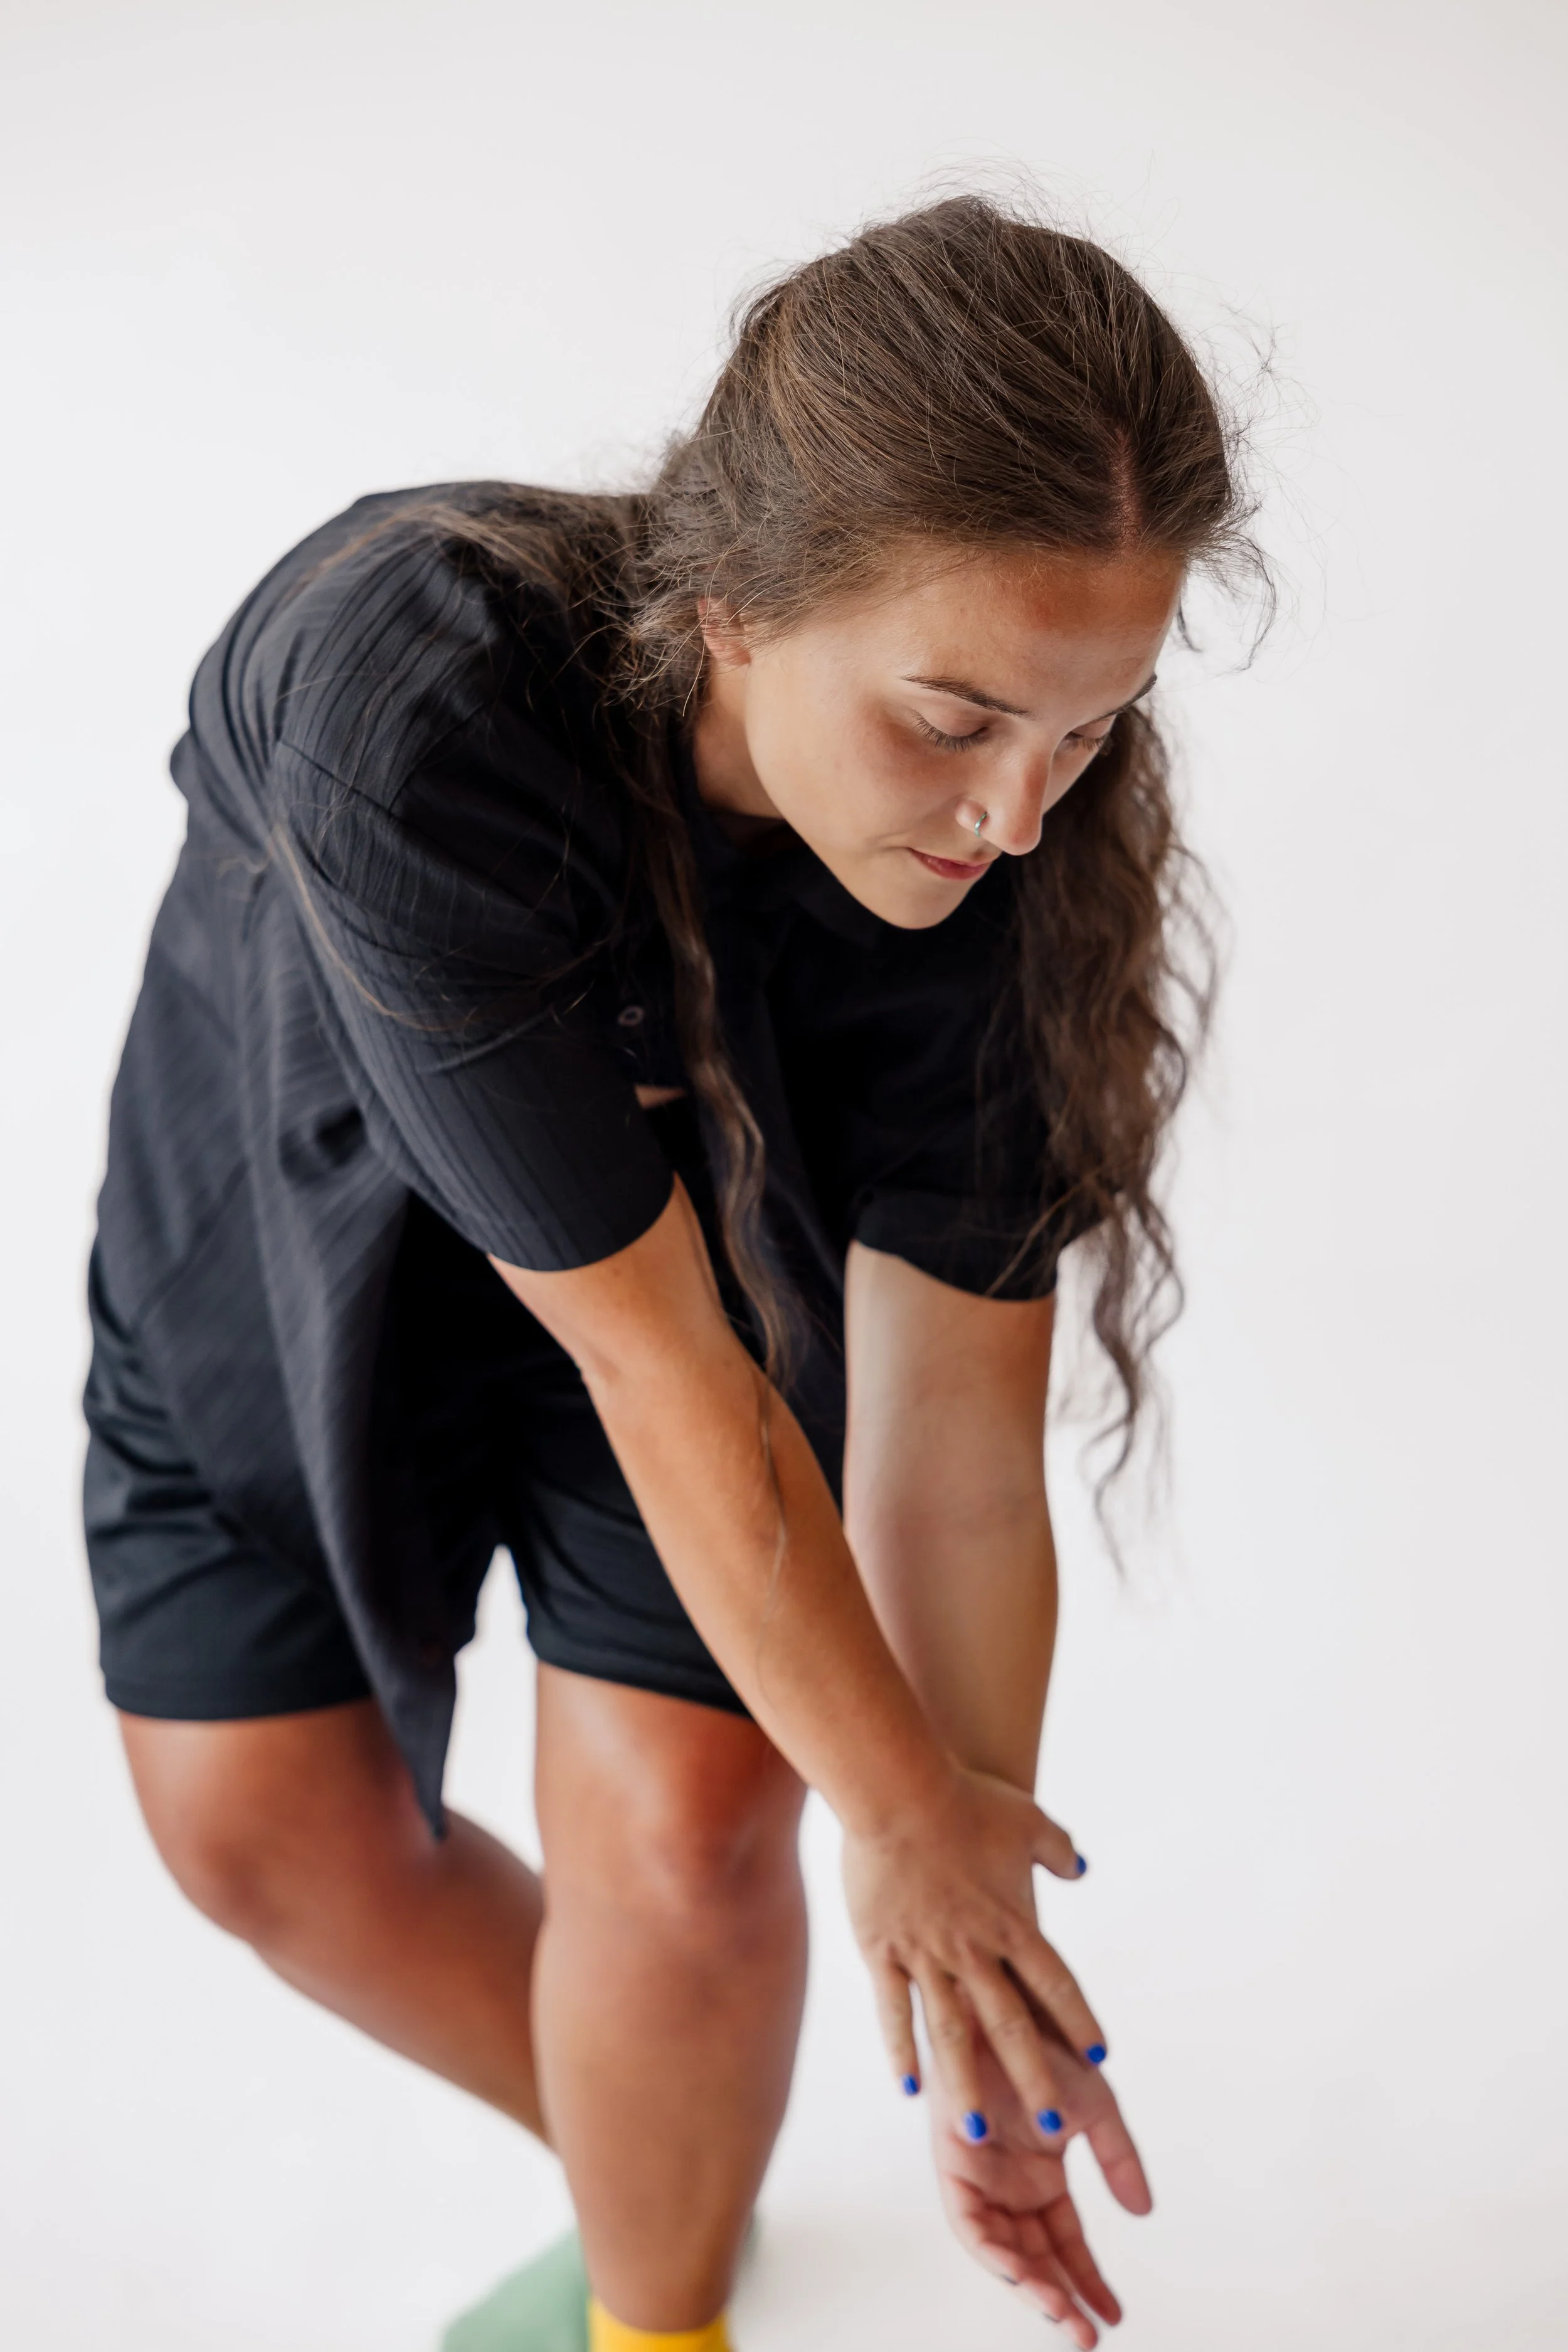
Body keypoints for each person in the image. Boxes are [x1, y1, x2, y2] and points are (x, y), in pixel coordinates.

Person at [82, 194, 1249, 2351]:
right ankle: (661, 2146)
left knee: (696, 1829)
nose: (1014, 808)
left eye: (1084, 726)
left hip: (710, 1268)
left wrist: (960, 1911)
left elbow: (961, 1452)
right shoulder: (406, 676)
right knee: (255, 1826)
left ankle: (660, 2313)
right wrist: (895, 1835)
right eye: (951, 717)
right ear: (730, 596)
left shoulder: (1024, 857)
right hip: (303, 1226)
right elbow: (660, 1381)